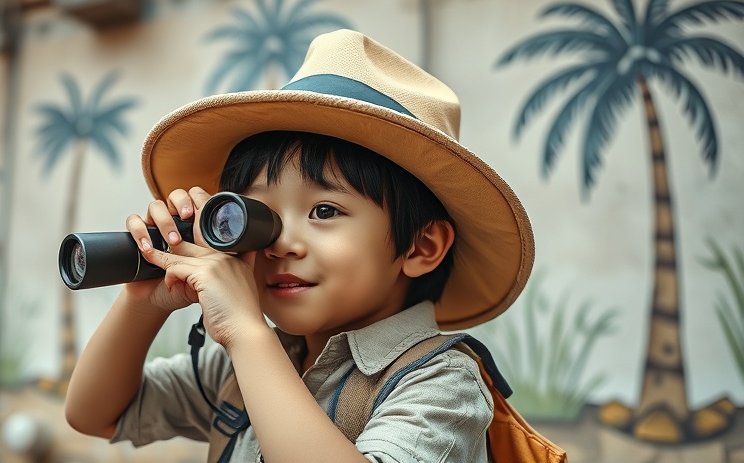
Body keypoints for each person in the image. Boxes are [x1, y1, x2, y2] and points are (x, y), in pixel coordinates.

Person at [64, 29, 534, 462]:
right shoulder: (245, 364)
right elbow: (96, 414)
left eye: (324, 212)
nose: (281, 243)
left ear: (421, 246)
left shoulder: (440, 382)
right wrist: (144, 301)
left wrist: (247, 333)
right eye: (255, 218)